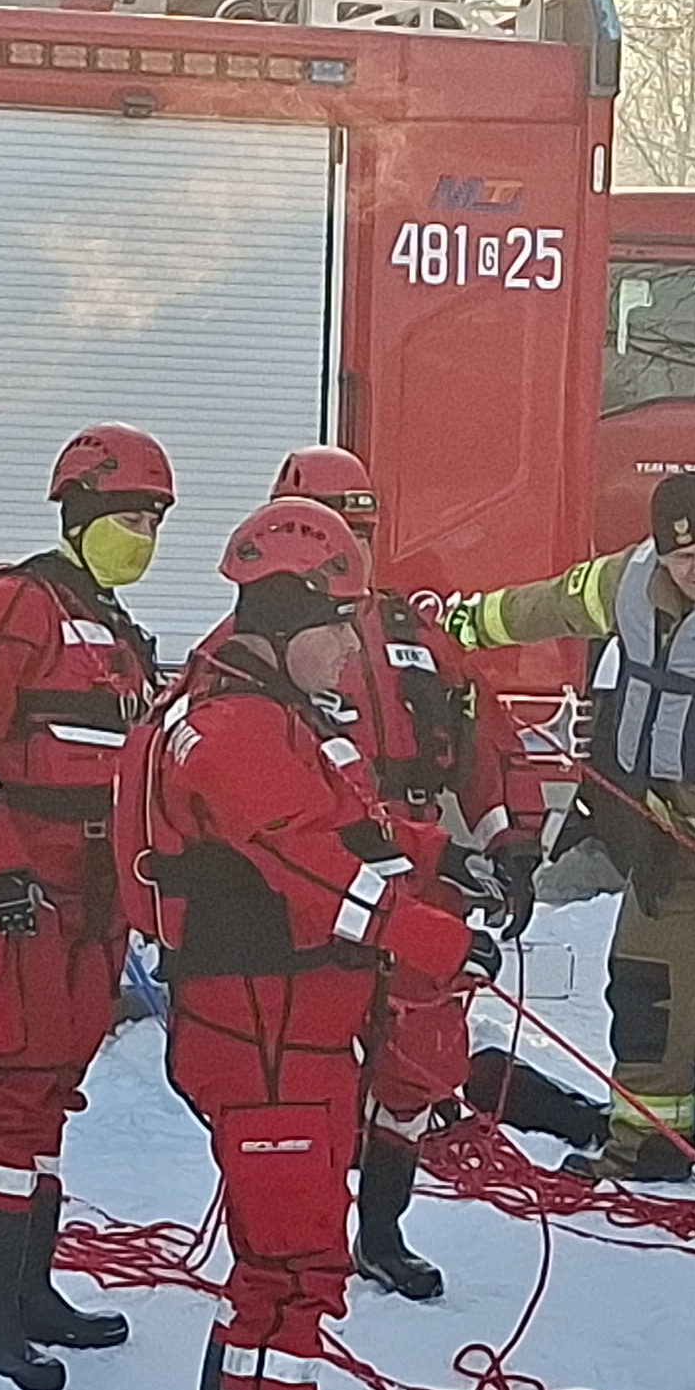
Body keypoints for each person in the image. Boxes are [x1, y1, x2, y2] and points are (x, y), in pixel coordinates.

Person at [124, 501, 492, 1390]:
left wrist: (443, 859)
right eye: (338, 626)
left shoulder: (262, 710)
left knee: (268, 1258)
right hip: (268, 1034)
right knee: (294, 1270)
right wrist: (441, 940)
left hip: (284, 1029)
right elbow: (318, 875)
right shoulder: (239, 729)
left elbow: (341, 824)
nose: (350, 649)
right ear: (286, 618)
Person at [446, 470, 695, 1180]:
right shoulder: (627, 580)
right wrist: (468, 623)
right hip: (678, 842)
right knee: (643, 989)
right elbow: (551, 604)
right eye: (683, 557)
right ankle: (649, 1144)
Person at [0, 423, 162, 1390]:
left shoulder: (112, 628)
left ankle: (28, 1292)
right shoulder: (16, 606)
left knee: (50, 1093)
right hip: (17, 897)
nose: (144, 537)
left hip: (88, 903)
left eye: (154, 521)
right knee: (11, 1100)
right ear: (81, 512)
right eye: (131, 517)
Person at [269, 445, 545, 1301]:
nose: (346, 547)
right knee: (306, 1065)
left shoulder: (416, 638)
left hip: (417, 864)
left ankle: (381, 1232)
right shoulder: (263, 644)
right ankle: (298, 1240)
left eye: (359, 530)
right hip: (318, 867)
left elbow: (484, 742)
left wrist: (513, 840)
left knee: (418, 1061)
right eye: (329, 529)